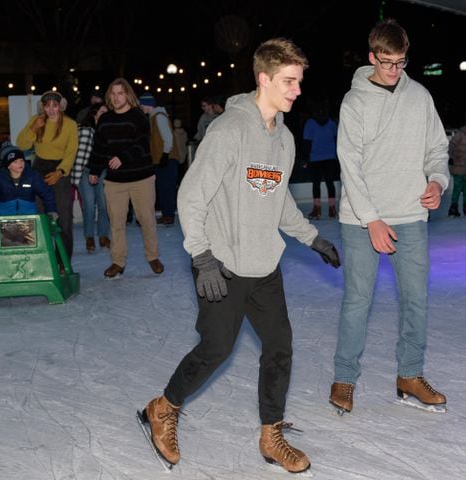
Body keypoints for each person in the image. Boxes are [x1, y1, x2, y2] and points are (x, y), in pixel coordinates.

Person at [141, 38, 340, 474]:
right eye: (289, 81)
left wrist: (311, 238)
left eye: (299, 81)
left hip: (264, 265)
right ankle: (163, 406)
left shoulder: (284, 139)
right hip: (222, 264)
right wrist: (203, 257)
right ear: (264, 78)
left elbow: (277, 198)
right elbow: (191, 195)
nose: (296, 90)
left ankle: (271, 435)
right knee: (216, 349)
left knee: (280, 348)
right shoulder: (229, 130)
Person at [330, 18, 450, 416]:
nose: (394, 70)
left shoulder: (420, 97)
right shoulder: (355, 102)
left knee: (416, 299)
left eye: (400, 62)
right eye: (386, 62)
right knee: (357, 302)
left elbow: (437, 148)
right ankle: (344, 379)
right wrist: (372, 220)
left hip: (411, 214)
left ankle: (410, 375)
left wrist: (436, 181)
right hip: (362, 219)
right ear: (372, 57)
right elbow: (350, 165)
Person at [89, 78, 164, 279]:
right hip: (115, 181)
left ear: (128, 95)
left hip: (141, 177)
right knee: (117, 222)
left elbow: (142, 143)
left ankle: (153, 256)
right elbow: (99, 147)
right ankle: (117, 262)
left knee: (146, 219)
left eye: (120, 93)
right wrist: (94, 170)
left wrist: (123, 157)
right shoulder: (105, 120)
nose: (116, 97)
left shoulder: (138, 116)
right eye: (113, 94)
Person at [16, 90, 78, 259]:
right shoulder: (36, 121)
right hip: (39, 168)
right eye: (47, 106)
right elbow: (21, 144)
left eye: (54, 105)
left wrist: (60, 172)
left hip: (60, 168)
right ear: (42, 107)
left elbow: (71, 152)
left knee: (63, 217)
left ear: (61, 106)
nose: (51, 109)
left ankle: (62, 260)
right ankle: (41, 258)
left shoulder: (70, 125)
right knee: (38, 215)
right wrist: (33, 128)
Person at [0, 143, 58, 221]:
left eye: (21, 160)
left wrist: (51, 211)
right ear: (8, 166)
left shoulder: (32, 176)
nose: (20, 164)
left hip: (29, 218)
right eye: (15, 162)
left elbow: (47, 193)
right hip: (4, 219)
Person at [73, 102, 110, 253]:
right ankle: (89, 237)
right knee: (89, 205)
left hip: (103, 172)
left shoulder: (106, 131)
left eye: (106, 112)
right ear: (94, 114)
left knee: (103, 204)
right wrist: (77, 175)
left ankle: (103, 236)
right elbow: (79, 155)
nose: (104, 114)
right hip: (86, 171)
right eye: (101, 111)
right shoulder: (86, 130)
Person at [138, 92, 177, 226]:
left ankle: (169, 215)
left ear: (147, 105)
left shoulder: (159, 117)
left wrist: (165, 154)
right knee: (162, 187)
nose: (141, 108)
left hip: (167, 158)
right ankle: (167, 214)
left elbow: (168, 137)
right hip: (160, 159)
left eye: (141, 105)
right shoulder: (153, 117)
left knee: (167, 187)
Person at [302, 102, 339, 219]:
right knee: (330, 183)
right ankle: (332, 209)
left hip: (315, 158)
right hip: (330, 157)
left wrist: (305, 159)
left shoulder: (310, 123)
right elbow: (336, 139)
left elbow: (306, 143)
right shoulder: (332, 123)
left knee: (316, 184)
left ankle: (317, 210)